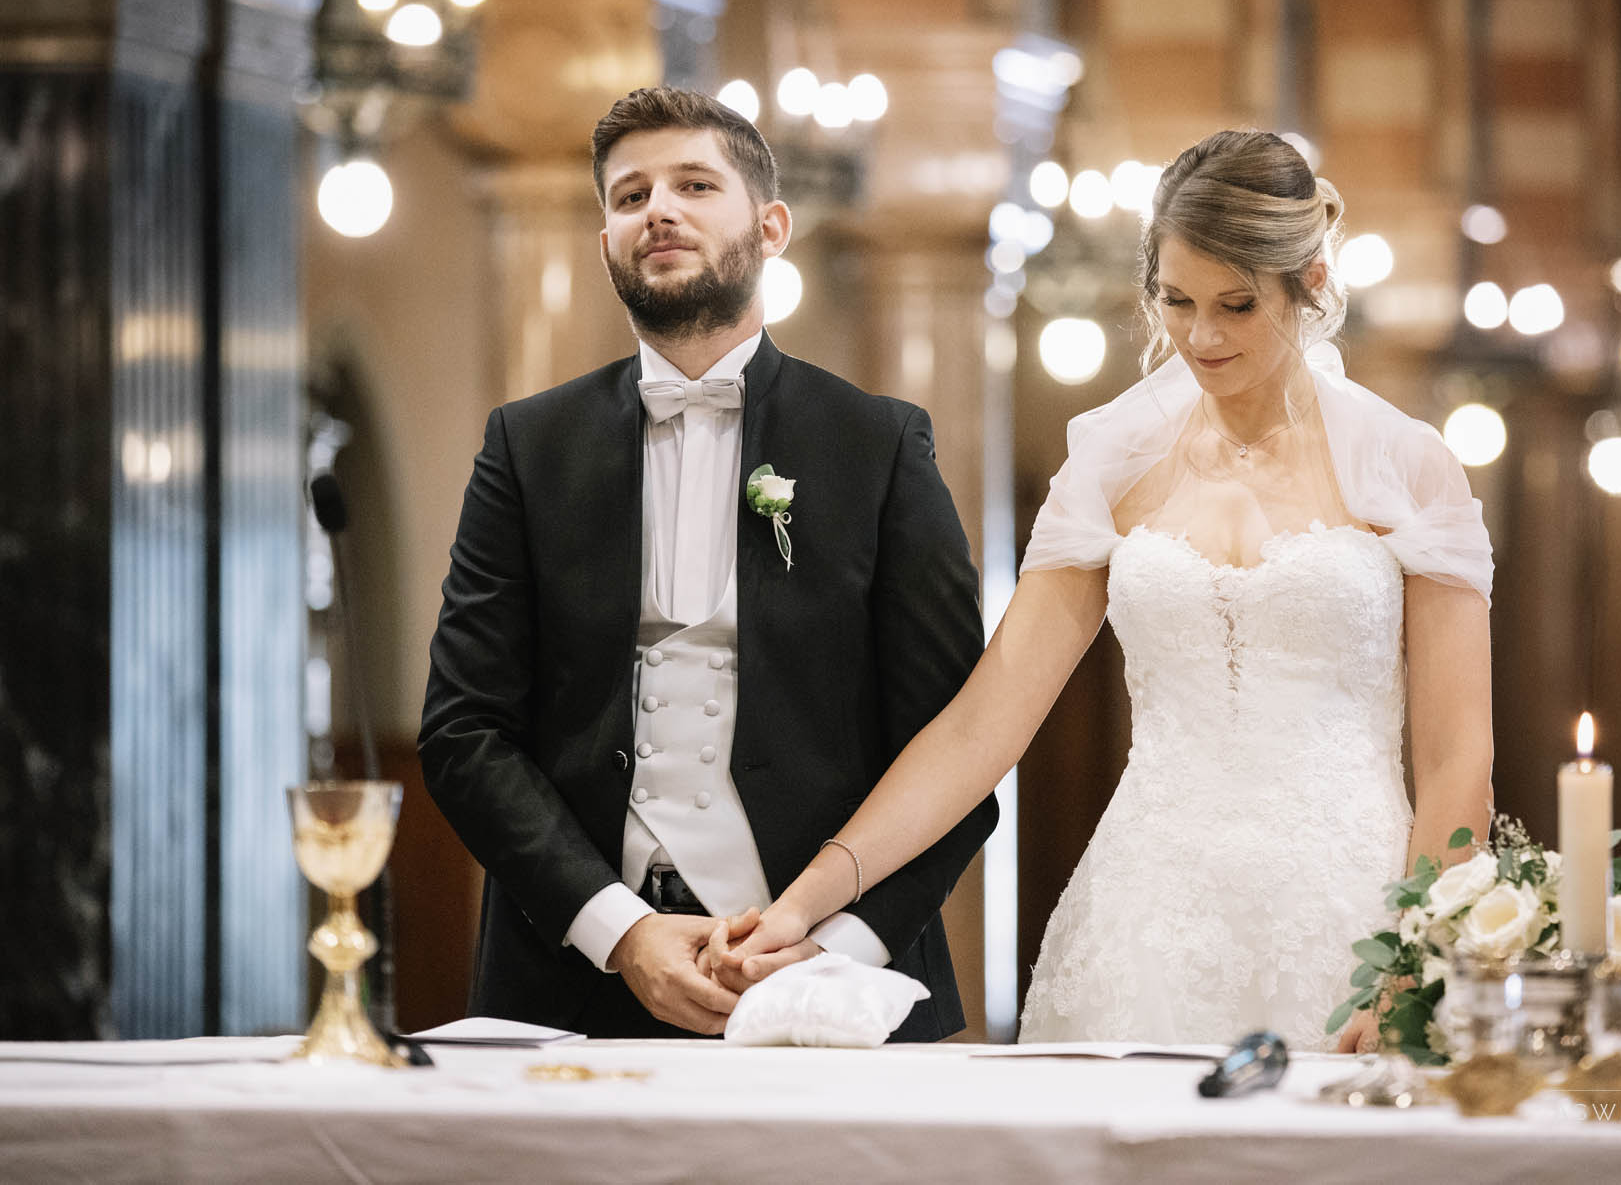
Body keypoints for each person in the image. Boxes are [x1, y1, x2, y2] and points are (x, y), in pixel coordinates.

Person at [717, 129, 1494, 1052]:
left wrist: (1414, 966)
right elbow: (982, 725)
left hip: (1353, 918)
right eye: (1177, 300)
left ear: (1312, 282)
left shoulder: (1410, 467)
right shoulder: (1114, 468)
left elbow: (1456, 760)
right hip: (1148, 918)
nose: (1200, 337)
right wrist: (805, 901)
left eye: (1238, 306)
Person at [419, 86, 996, 1040]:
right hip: (574, 980)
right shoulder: (528, 446)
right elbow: (463, 729)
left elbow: (957, 751)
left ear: (770, 226)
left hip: (831, 986)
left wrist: (830, 947)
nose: (659, 210)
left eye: (694, 183)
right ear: (606, 238)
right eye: (630, 195)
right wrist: (620, 930)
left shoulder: (879, 445)